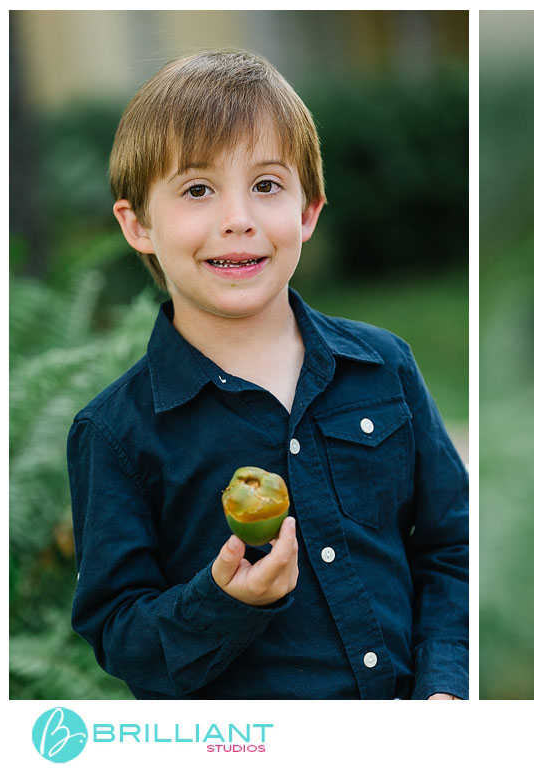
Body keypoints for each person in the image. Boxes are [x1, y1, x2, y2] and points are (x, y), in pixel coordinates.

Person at [67, 49, 468, 700]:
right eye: (198, 189)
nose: (239, 218)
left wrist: (444, 691)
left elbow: (453, 545)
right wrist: (223, 602)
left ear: (308, 211)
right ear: (137, 224)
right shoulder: (114, 433)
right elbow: (120, 633)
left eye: (266, 185)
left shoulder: (385, 367)